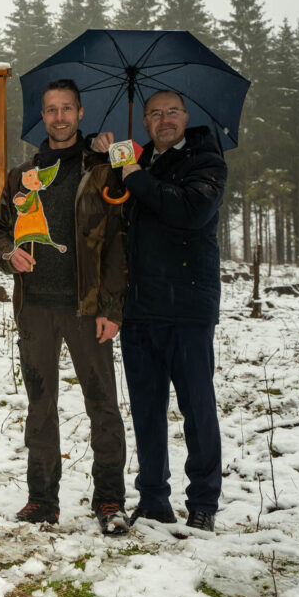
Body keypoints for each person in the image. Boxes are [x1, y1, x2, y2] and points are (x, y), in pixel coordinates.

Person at [0, 79, 129, 535]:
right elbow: (0, 234)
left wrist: (112, 307)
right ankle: (42, 500)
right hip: (35, 308)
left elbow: (115, 243)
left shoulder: (99, 168)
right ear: (43, 117)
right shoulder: (21, 174)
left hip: (86, 308)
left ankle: (109, 500)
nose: (60, 117)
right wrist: (9, 254)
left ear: (81, 113)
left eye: (67, 108)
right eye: (51, 110)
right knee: (40, 405)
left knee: (102, 404)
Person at [91, 90, 227, 532]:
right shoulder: (139, 162)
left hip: (188, 308)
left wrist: (132, 172)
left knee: (197, 407)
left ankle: (203, 501)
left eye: (171, 112)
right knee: (147, 410)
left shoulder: (207, 161)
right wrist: (106, 155)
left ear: (186, 117)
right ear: (146, 123)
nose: (163, 120)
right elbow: (114, 208)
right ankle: (152, 498)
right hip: (141, 309)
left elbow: (188, 211)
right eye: (154, 114)